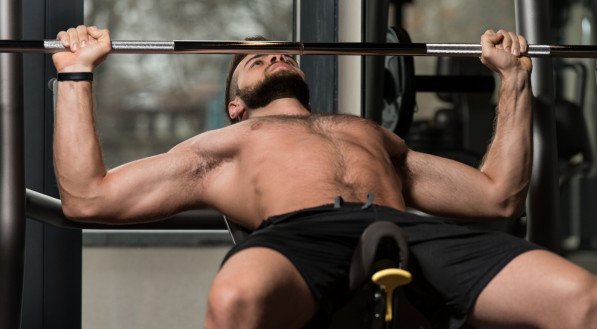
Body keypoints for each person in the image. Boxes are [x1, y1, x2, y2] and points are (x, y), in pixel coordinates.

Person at [52, 25, 597, 329]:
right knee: (236, 300)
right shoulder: (221, 145)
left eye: (281, 52)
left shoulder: (367, 133)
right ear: (236, 105)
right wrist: (76, 73)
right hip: (300, 234)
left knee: (582, 299)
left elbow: (499, 196)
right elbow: (86, 197)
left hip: (405, 230)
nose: (275, 56)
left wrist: (514, 82)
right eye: (253, 60)